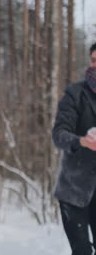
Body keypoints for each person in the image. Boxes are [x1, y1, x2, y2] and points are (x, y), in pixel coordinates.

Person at [52, 42, 96, 255]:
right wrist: (81, 141)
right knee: (82, 252)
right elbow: (59, 134)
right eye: (94, 60)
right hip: (74, 189)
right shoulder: (75, 94)